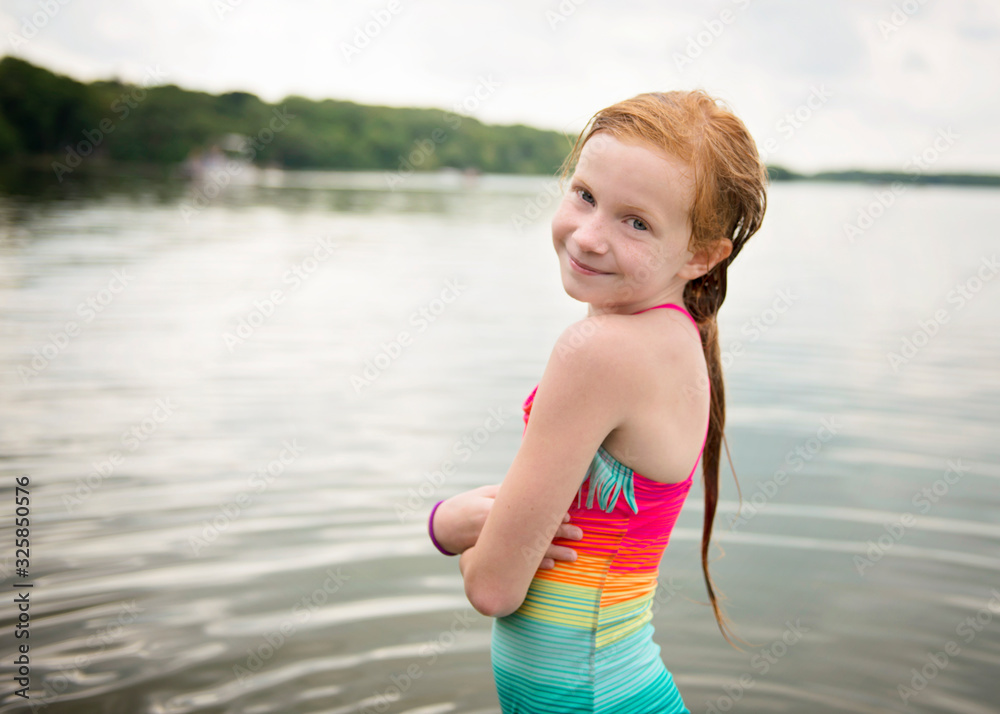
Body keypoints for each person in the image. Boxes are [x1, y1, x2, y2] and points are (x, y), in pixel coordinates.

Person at [428, 90, 768, 713]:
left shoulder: (598, 352)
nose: (587, 237)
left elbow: (493, 588)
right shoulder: (677, 338)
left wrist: (448, 526)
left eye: (636, 222)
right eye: (584, 195)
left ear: (702, 255)